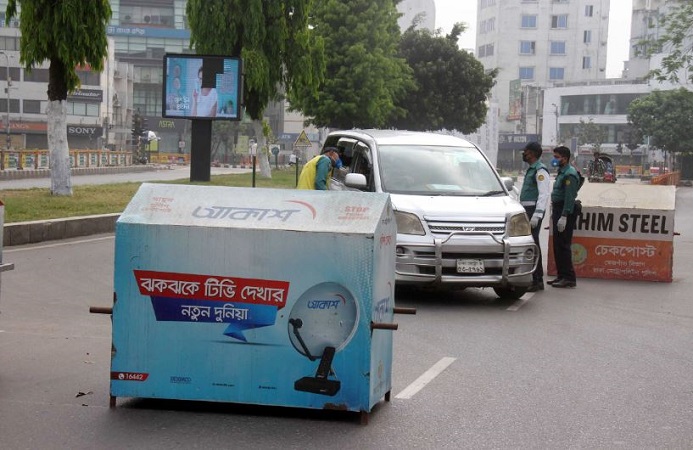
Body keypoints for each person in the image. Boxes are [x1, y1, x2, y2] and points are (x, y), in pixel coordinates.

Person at [519, 142, 550, 292]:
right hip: (527, 210)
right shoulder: (531, 170)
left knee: (533, 245)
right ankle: (534, 278)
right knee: (531, 244)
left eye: (525, 152)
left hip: (533, 211)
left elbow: (543, 195)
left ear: (532, 153)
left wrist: (537, 215)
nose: (523, 154)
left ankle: (537, 280)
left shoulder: (540, 170)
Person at [549, 145, 580, 288]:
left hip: (564, 210)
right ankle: (561, 275)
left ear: (565, 158)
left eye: (556, 157)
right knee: (557, 245)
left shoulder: (570, 174)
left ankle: (569, 278)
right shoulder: (562, 172)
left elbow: (569, 196)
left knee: (563, 245)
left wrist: (564, 216)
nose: (553, 160)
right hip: (558, 210)